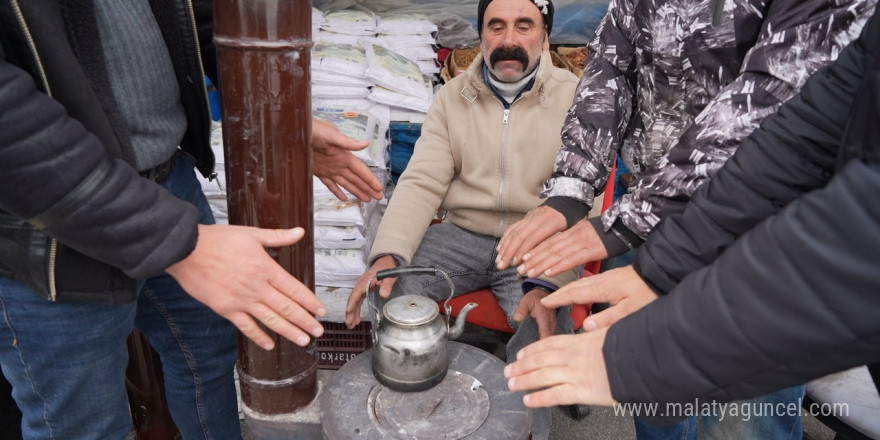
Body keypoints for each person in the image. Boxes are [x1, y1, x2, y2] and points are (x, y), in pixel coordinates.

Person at [0, 1, 381, 438]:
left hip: (168, 179)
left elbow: (199, 23)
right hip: (46, 223)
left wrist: (284, 119)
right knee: (83, 423)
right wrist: (172, 240)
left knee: (210, 354)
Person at [495, 0, 876, 437]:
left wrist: (633, 222)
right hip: (643, 216)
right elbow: (610, 67)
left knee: (745, 416)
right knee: (653, 393)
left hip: (762, 223)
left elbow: (779, 102)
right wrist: (571, 190)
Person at [344, 0, 578, 437]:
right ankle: (414, 415)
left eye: (524, 26)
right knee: (391, 290)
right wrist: (389, 255)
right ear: (482, 36)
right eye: (496, 26)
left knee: (542, 319)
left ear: (545, 37)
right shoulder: (452, 97)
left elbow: (580, 198)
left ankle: (529, 431)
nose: (509, 40)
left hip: (537, 241)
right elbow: (421, 181)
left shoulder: (575, 96)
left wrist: (552, 282)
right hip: (462, 235)